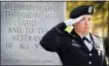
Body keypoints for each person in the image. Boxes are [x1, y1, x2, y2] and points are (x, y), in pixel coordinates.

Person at [40, 5, 107, 66]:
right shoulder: (65, 39)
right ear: (73, 22)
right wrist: (64, 24)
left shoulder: (97, 40)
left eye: (89, 19)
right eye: (82, 19)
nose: (87, 23)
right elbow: (45, 42)